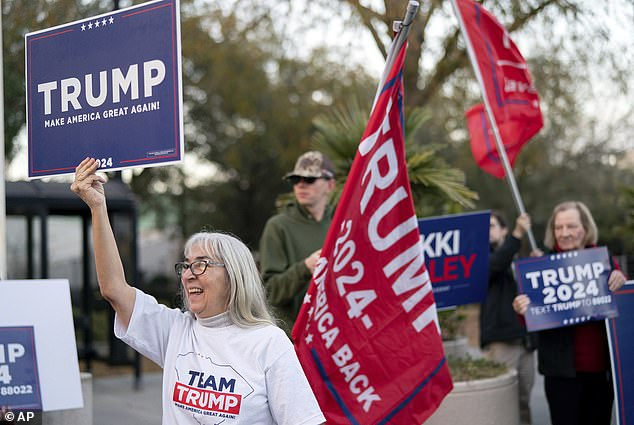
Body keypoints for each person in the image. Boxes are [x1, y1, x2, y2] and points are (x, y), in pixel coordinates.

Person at [71, 157, 325, 425]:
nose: (189, 274)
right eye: (187, 265)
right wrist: (98, 208)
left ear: (234, 276)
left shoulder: (269, 342)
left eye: (202, 264)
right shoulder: (176, 331)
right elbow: (113, 289)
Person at [513, 201, 626, 425]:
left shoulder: (603, 260)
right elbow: (529, 319)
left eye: (571, 226)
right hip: (560, 374)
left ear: (585, 228)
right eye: (558, 227)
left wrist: (621, 282)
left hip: (600, 373)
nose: (564, 233)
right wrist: (520, 308)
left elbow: (621, 308)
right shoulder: (540, 265)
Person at [259, 151, 336, 334]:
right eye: (295, 179)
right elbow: (270, 293)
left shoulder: (343, 223)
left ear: (330, 185)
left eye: (309, 179)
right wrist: (305, 268)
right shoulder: (278, 226)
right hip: (295, 340)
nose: (301, 184)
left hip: (335, 336)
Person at [480, 212, 541, 425]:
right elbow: (496, 264)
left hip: (525, 343)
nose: (488, 231)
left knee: (523, 402)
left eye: (492, 226)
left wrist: (537, 265)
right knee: (502, 402)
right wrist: (517, 234)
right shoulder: (483, 259)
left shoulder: (517, 259)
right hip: (501, 342)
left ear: (503, 229)